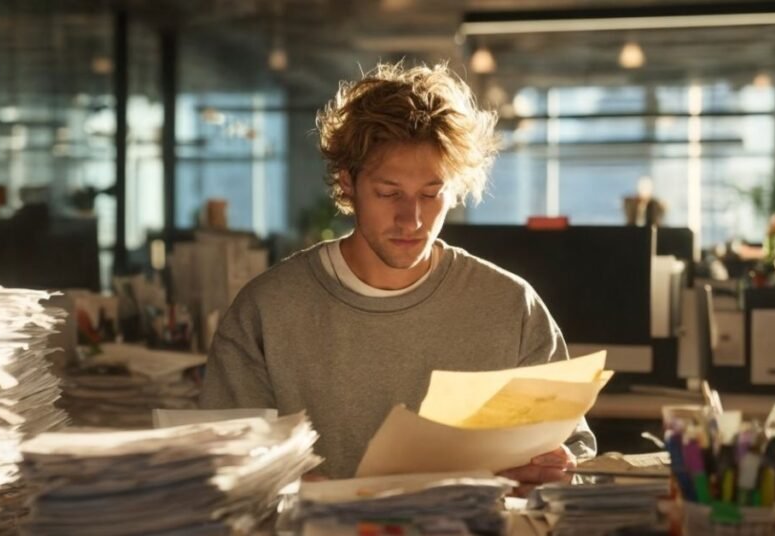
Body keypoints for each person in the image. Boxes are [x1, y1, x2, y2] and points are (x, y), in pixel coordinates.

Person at [200, 62, 596, 486]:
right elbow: (218, 469)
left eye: (431, 194)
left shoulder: (508, 306)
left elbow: (575, 456)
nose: (412, 219)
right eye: (389, 193)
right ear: (346, 182)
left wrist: (556, 471)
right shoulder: (269, 309)